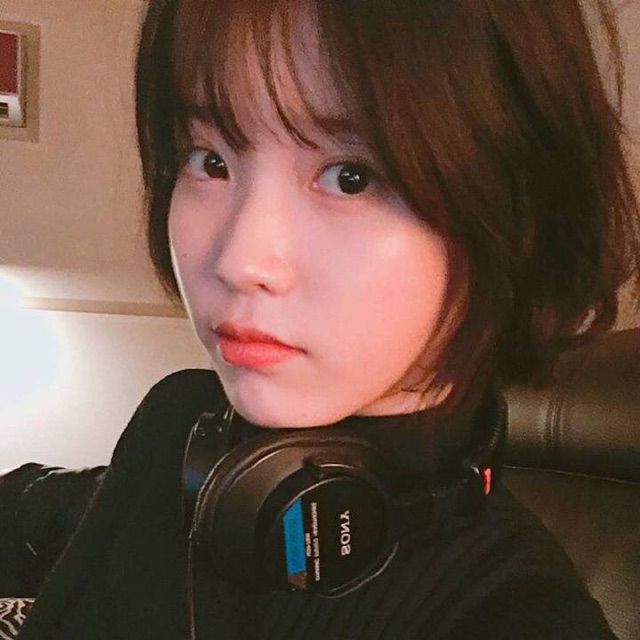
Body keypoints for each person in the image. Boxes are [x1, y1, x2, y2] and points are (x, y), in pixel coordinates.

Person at [17, 0, 640, 638]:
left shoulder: (515, 614)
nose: (239, 261)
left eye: (351, 177)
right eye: (210, 160)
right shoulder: (179, 427)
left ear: (517, 211)